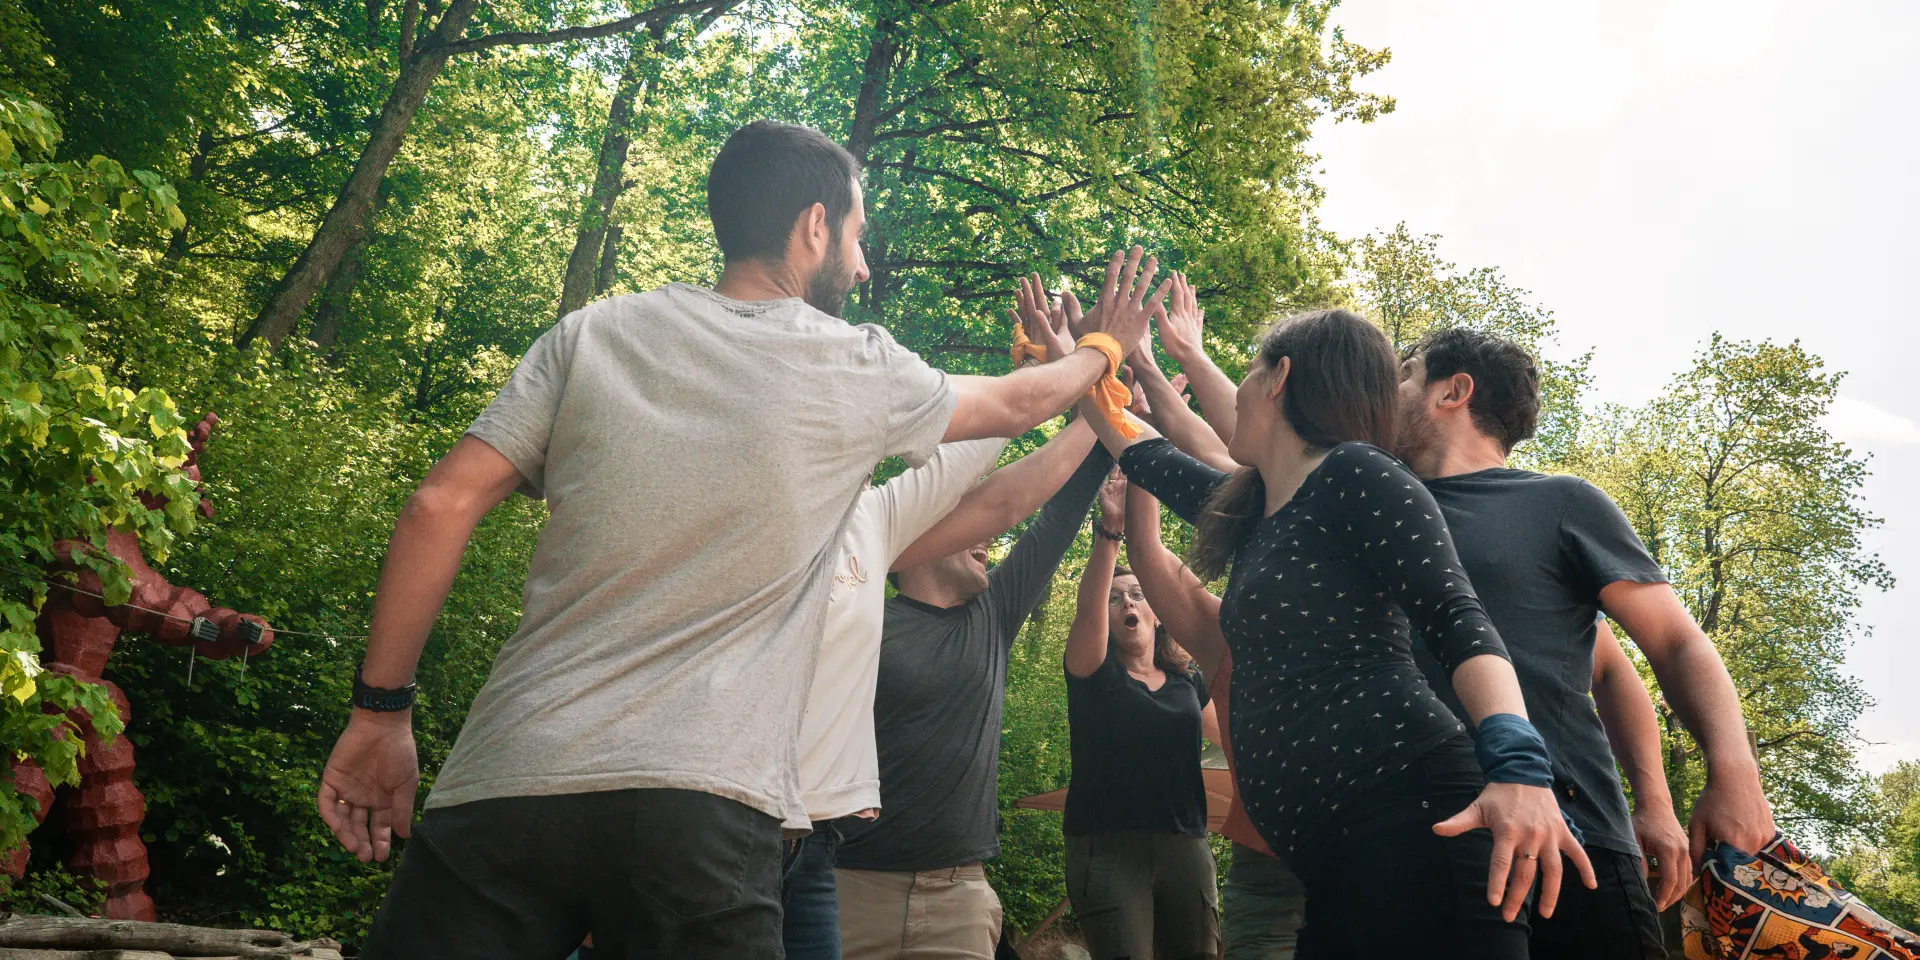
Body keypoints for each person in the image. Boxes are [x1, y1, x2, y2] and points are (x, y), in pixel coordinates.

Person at [315, 119, 1162, 959]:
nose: (862, 266)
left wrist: (380, 716)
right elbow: (1016, 408)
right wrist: (1102, 347)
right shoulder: (851, 363)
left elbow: (439, 504)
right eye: (858, 235)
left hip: (509, 780)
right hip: (702, 811)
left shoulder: (590, 334)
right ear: (815, 226)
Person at [1084, 305, 1594, 958]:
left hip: (1414, 821)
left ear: (1279, 378)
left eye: (1247, 372)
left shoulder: (1358, 474)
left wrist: (1520, 768)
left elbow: (1456, 617)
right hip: (1330, 857)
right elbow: (1138, 449)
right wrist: (1086, 357)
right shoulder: (1257, 516)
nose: (1236, 391)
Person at [1394, 326, 1777, 958]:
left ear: (1453, 391)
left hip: (1577, 842)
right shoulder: (1373, 508)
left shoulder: (1559, 503)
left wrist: (1718, 782)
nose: (1391, 392)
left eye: (1407, 374)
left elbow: (1668, 646)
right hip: (1413, 840)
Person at [784, 321, 1108, 959]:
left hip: (958, 892)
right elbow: (991, 496)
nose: (988, 537)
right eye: (969, 526)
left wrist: (1105, 401)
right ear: (923, 538)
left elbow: (1048, 509)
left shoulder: (991, 616)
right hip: (847, 883)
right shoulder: (859, 614)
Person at [1061, 469, 1221, 960]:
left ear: (1157, 613)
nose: (1126, 602)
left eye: (1137, 594)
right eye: (1115, 598)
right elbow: (1089, 612)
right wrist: (1111, 534)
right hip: (1106, 850)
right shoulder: (1092, 675)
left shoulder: (1188, 681)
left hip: (1185, 847)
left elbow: (1237, 740)